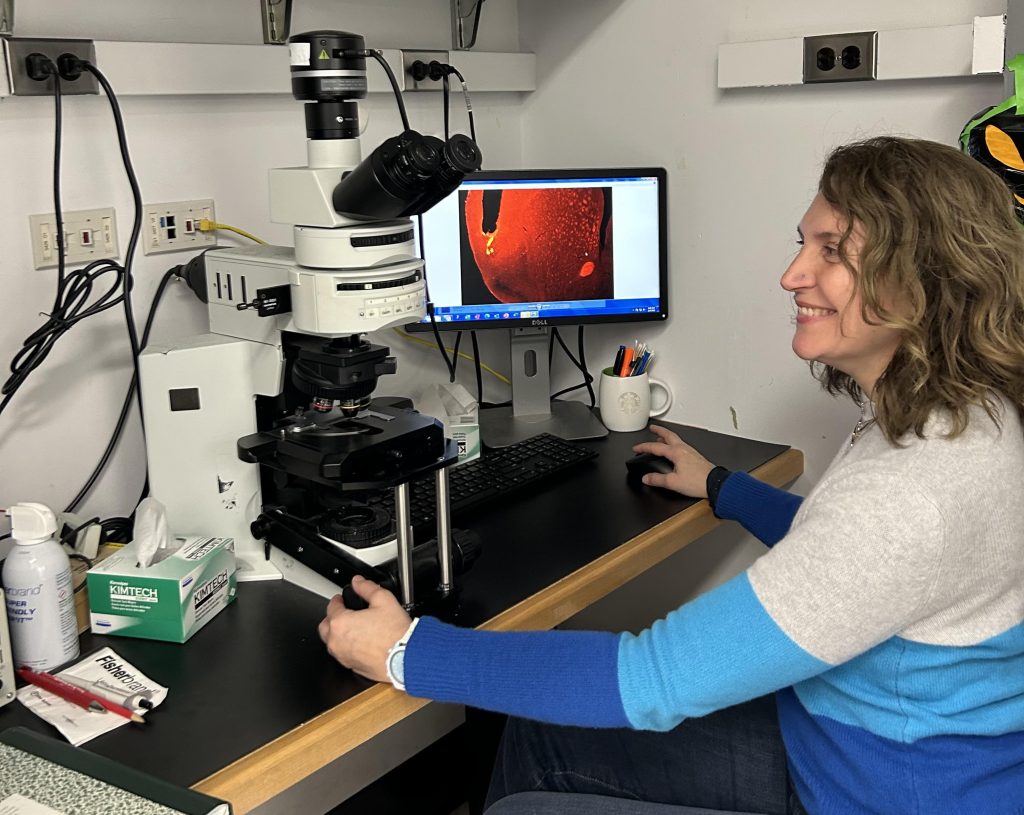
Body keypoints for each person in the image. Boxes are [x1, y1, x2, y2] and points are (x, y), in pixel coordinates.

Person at [318, 136, 1024, 814]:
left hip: (877, 795)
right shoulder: (966, 413)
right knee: (536, 729)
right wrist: (724, 486)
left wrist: (409, 652)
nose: (792, 274)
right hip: (852, 748)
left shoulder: (915, 490)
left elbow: (651, 678)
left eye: (832, 251)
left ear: (925, 281)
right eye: (804, 242)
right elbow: (859, 561)